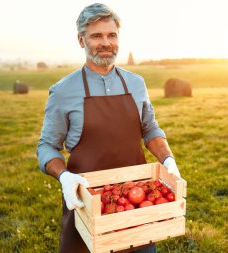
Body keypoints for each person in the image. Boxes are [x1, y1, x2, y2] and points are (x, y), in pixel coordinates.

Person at [36, 3, 180, 253]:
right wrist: (64, 176)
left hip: (135, 203)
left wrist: (168, 159)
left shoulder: (136, 84)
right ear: (81, 40)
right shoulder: (63, 91)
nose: (106, 42)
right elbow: (47, 146)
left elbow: (150, 128)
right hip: (86, 205)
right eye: (96, 35)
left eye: (111, 35)